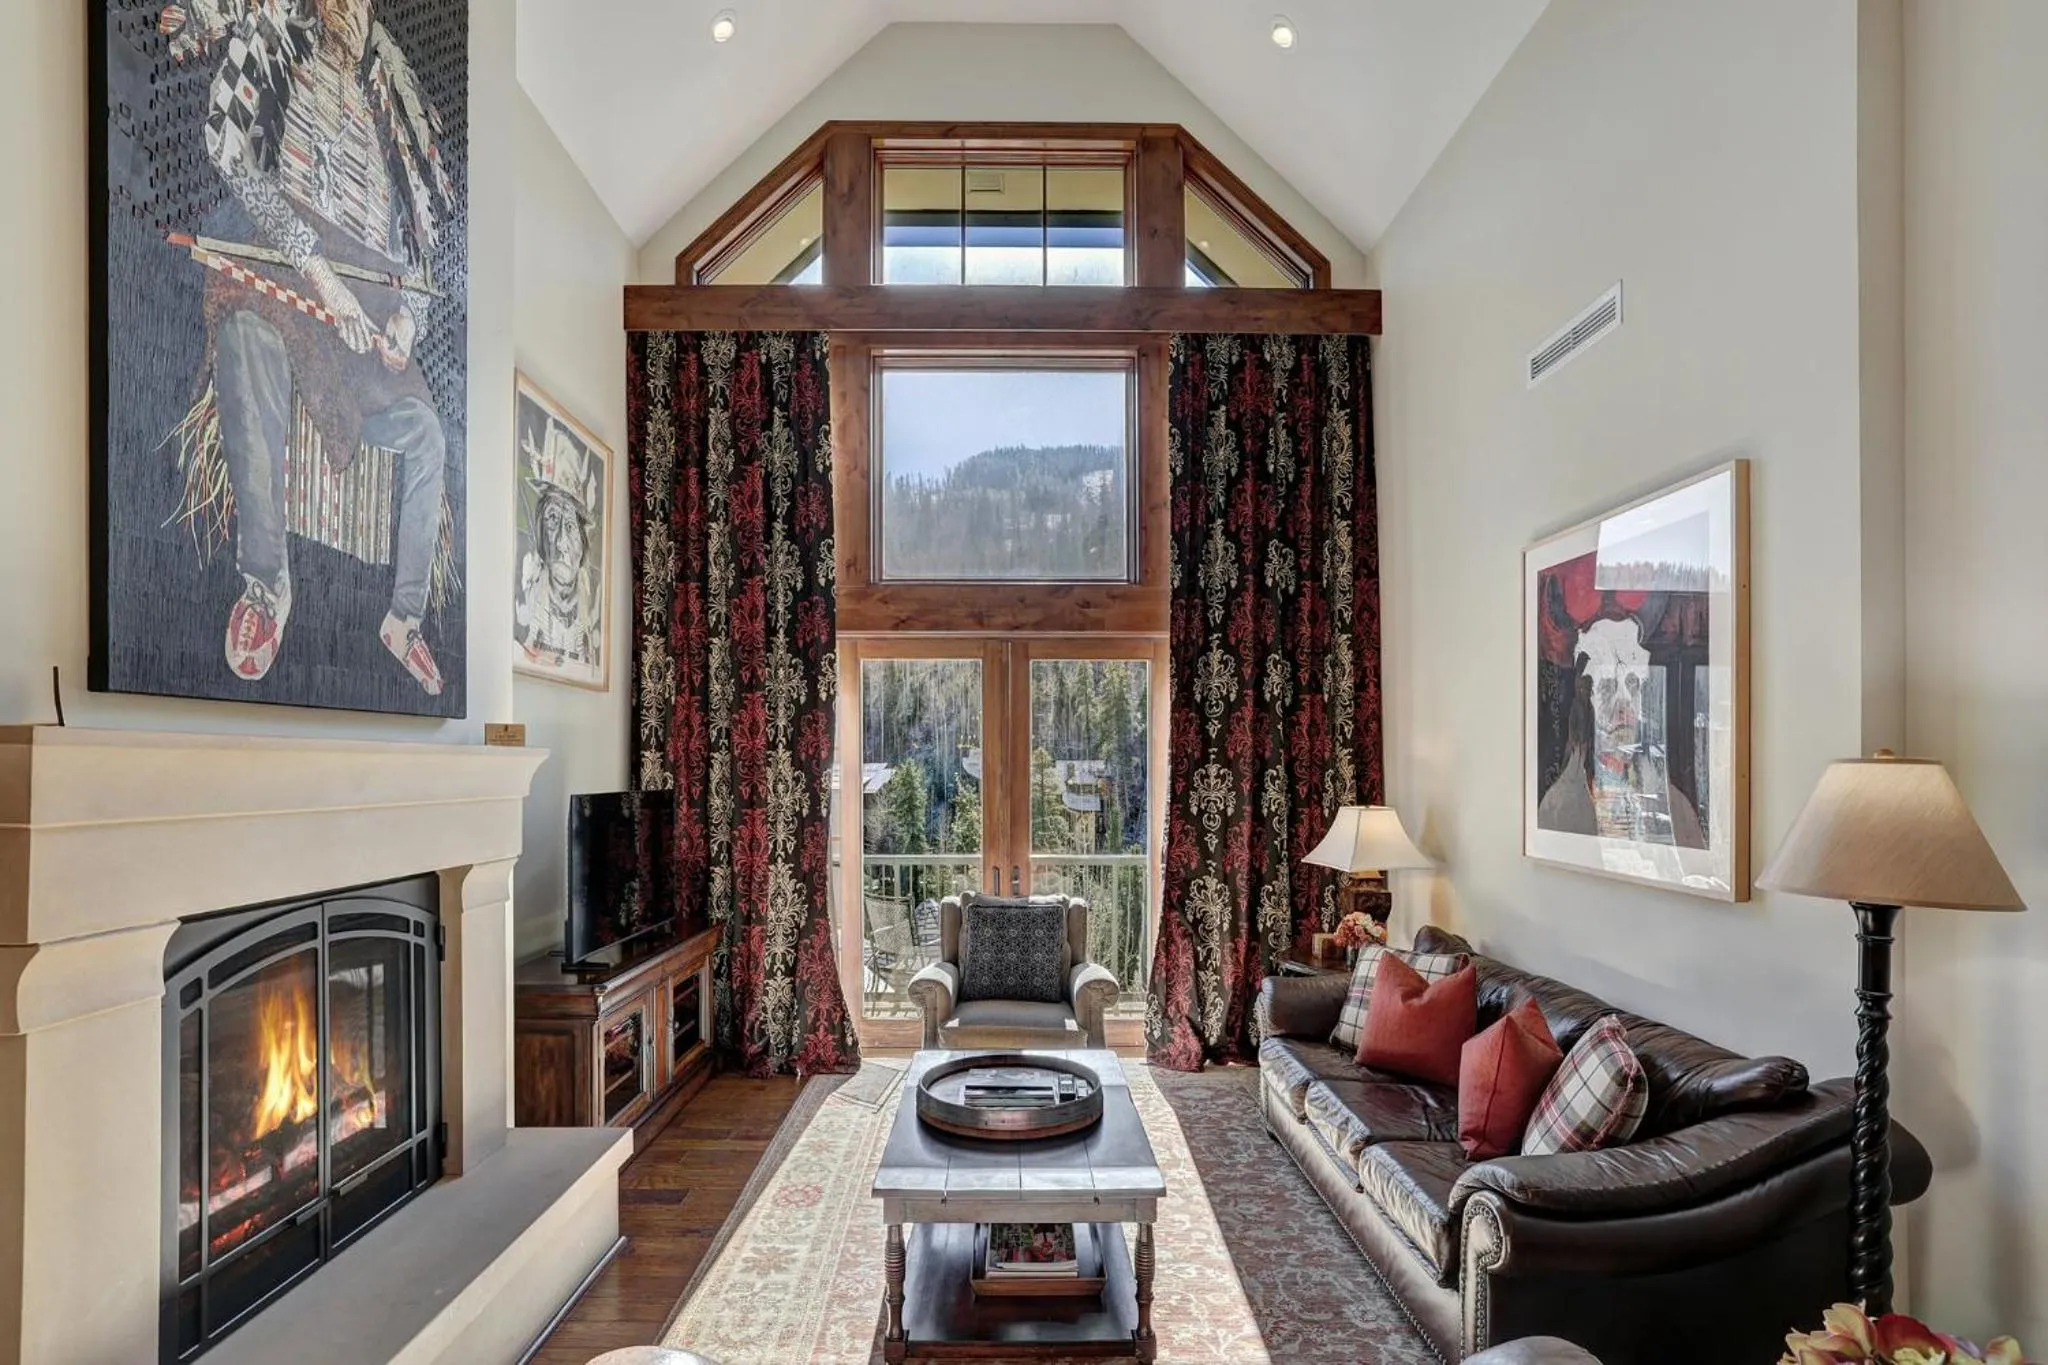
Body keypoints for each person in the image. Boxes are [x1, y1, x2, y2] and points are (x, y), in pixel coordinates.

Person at [179, 0, 455, 693]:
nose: (343, 8)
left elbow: (421, 244)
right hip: (287, 266)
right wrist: (321, 277)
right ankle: (267, 583)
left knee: (426, 432)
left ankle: (405, 617)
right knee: (246, 334)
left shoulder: (390, 93)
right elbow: (236, 159)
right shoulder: (279, 36)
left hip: (370, 305)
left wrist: (406, 323)